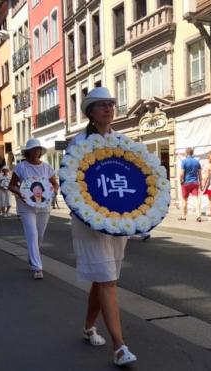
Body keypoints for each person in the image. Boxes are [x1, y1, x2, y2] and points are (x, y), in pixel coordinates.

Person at [67, 87, 136, 366]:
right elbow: (72, 183)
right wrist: (89, 213)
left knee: (105, 276)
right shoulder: (78, 142)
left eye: (111, 104)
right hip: (90, 221)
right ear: (90, 113)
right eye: (101, 105)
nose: (108, 108)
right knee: (106, 278)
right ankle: (119, 346)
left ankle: (87, 327)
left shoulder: (123, 141)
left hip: (117, 220)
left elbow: (133, 179)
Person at [9, 138, 58, 280]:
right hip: (26, 206)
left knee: (40, 235)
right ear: (28, 152)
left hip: (43, 205)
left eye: (39, 149)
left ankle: (32, 256)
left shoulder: (47, 167)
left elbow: (54, 184)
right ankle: (37, 267)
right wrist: (21, 193)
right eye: (34, 149)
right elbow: (11, 185)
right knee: (32, 234)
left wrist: (52, 192)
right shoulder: (21, 167)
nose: (37, 151)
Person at [179, 148, 202, 222]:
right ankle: (198, 215)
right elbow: (200, 174)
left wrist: (181, 181)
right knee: (196, 199)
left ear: (186, 153)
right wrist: (201, 184)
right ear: (192, 153)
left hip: (186, 183)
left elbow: (181, 173)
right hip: (195, 183)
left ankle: (183, 216)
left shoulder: (184, 161)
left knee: (185, 199)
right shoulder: (197, 162)